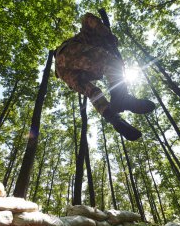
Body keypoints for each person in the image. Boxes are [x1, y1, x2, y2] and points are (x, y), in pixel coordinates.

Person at [54, 13, 155, 141]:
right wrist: (106, 32)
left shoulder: (96, 41)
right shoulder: (91, 34)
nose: (110, 45)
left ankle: (113, 118)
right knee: (111, 61)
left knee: (93, 92)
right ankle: (121, 98)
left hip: (62, 71)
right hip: (68, 51)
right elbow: (87, 18)